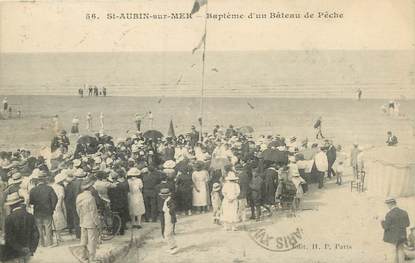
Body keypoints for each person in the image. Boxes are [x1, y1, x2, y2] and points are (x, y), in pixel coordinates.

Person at [3, 192, 39, 263]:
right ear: (19, 203)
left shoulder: (9, 218)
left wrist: (20, 248)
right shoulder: (30, 216)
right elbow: (36, 234)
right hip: (28, 250)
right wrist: (32, 249)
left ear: (10, 206)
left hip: (15, 252)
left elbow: (9, 238)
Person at [29, 171, 58, 247]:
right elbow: (55, 199)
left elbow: (31, 202)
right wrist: (53, 208)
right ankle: (49, 243)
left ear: (37, 180)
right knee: (48, 227)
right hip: (48, 211)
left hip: (37, 211)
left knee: (39, 227)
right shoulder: (49, 188)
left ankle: (41, 243)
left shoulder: (33, 190)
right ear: (45, 180)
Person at [76, 177, 100, 263]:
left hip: (83, 220)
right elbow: (93, 212)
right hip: (91, 222)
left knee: (83, 240)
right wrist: (97, 223)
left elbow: (78, 210)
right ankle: (92, 258)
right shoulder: (91, 198)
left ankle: (83, 256)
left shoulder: (79, 197)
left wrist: (81, 217)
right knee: (92, 241)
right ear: (90, 187)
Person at [381, 197, 410, 263]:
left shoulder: (389, 214)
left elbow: (385, 226)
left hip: (392, 237)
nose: (387, 206)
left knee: (392, 253)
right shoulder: (404, 212)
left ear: (390, 204)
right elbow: (407, 224)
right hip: (402, 236)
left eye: (387, 204)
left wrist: (382, 221)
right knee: (401, 251)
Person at [159, 188, 179, 255]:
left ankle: (174, 247)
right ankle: (172, 246)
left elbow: (172, 209)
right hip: (166, 217)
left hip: (169, 218)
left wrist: (170, 214)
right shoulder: (167, 200)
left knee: (168, 233)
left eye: (162, 195)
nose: (161, 196)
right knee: (167, 233)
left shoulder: (170, 201)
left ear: (166, 195)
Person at [51, 172, 67, 243]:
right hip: (59, 203)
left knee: (55, 220)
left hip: (52, 204)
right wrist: (59, 205)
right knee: (60, 219)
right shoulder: (60, 188)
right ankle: (58, 236)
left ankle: (57, 236)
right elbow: (61, 197)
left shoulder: (51, 186)